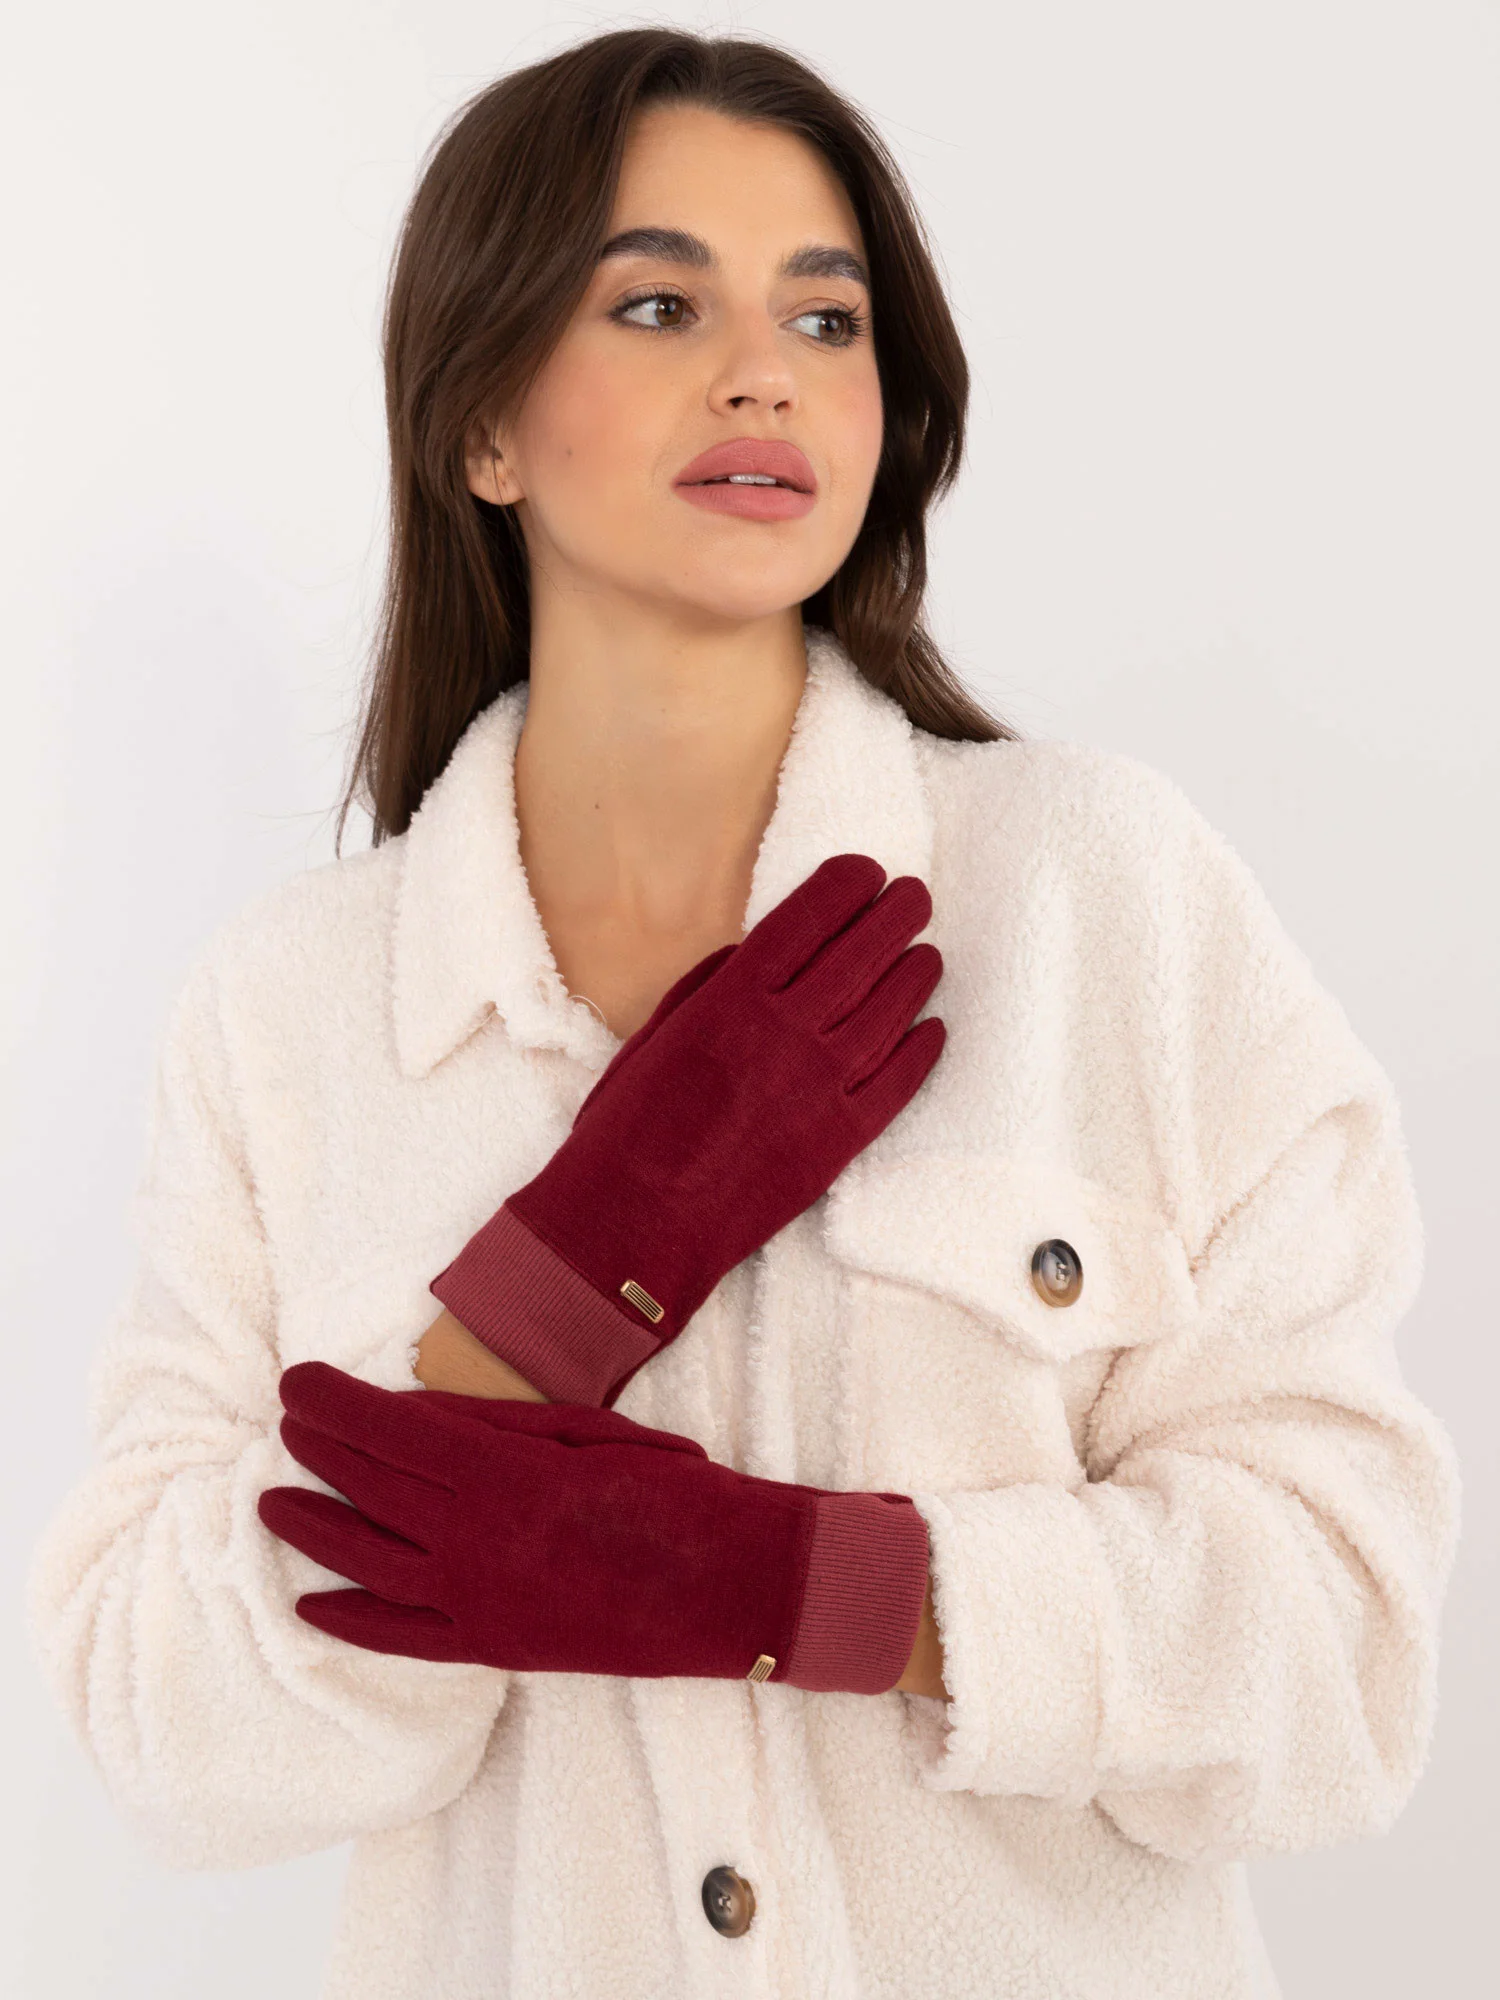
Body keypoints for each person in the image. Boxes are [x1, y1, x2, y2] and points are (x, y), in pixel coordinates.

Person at [25, 27, 1460, 2000]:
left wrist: (796, 1588)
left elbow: (1345, 1655)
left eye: (825, 315)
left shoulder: (1099, 896)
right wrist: (570, 1276)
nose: (765, 370)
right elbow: (162, 1729)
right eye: (658, 303)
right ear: (483, 425)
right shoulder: (283, 1017)